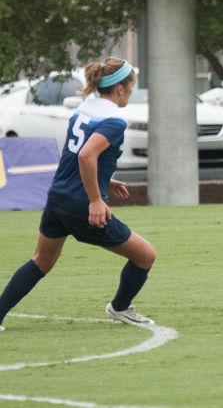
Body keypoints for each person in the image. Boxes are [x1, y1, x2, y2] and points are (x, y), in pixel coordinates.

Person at [0, 58, 156, 331]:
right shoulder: (114, 119)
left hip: (59, 196)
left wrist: (106, 180)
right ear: (120, 89)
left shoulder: (86, 108)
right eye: (131, 86)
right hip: (81, 204)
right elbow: (86, 155)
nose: (131, 91)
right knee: (145, 256)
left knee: (42, 261)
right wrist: (96, 199)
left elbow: (76, 156)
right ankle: (119, 308)